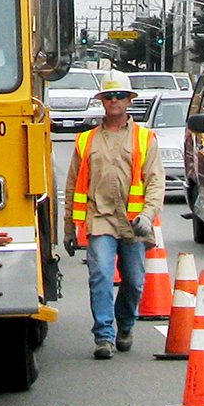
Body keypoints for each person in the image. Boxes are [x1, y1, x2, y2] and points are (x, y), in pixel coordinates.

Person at [63, 70, 164, 360]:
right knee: (101, 275)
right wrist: (69, 228)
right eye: (109, 96)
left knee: (134, 281)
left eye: (119, 96)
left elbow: (156, 181)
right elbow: (73, 185)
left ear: (129, 100)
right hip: (100, 219)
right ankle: (103, 335)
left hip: (134, 224)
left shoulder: (145, 139)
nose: (114, 101)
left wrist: (147, 215)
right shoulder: (86, 141)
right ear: (102, 102)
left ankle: (126, 325)